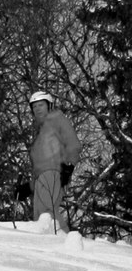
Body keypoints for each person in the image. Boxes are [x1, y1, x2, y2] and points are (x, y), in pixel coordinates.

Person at [26, 90, 81, 229]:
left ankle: (60, 242)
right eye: (34, 106)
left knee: (47, 214)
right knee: (40, 216)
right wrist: (29, 187)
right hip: (41, 177)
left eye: (41, 105)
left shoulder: (57, 119)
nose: (37, 109)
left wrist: (69, 166)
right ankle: (60, 243)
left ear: (49, 106)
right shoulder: (41, 132)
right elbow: (39, 164)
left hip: (53, 171)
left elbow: (73, 143)